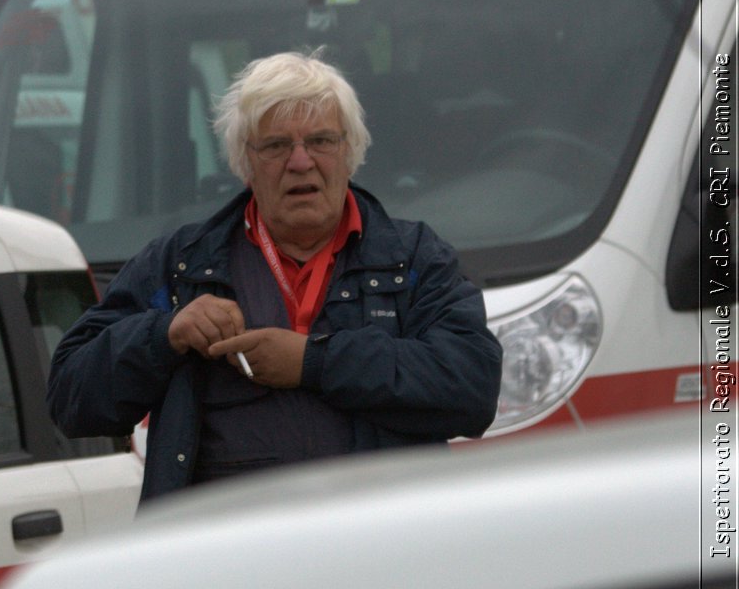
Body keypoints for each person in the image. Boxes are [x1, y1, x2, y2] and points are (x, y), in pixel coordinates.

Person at [47, 50, 502, 501]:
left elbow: (472, 389)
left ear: (350, 152)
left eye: (321, 141)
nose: (300, 162)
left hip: (381, 554)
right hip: (229, 561)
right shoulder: (181, 264)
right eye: (276, 145)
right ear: (245, 162)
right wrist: (165, 333)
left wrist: (313, 362)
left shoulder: (415, 257)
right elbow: (71, 399)